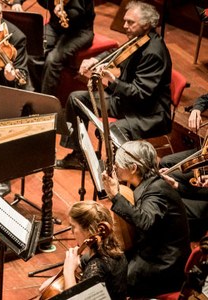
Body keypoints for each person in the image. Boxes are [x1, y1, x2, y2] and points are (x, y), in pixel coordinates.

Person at [56, 1, 172, 169]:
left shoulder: (153, 52)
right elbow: (115, 52)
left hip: (148, 113)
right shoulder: (138, 39)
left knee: (114, 129)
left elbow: (140, 94)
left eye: (130, 22)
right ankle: (79, 156)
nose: (125, 26)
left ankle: (122, 173)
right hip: (127, 102)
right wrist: (95, 60)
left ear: (146, 24)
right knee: (76, 99)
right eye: (124, 21)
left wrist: (113, 81)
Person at [102, 140, 190, 297]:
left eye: (118, 164)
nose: (115, 168)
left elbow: (145, 222)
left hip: (163, 265)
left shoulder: (157, 191)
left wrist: (115, 195)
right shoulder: (151, 183)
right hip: (154, 251)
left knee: (113, 279)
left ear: (133, 168)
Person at [40, 201, 127, 300]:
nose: (72, 232)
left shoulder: (96, 267)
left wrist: (68, 271)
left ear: (88, 230)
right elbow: (83, 261)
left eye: (73, 226)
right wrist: (52, 282)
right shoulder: (114, 249)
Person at [159, 93, 208, 240]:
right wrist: (196, 109)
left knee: (172, 181)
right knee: (165, 163)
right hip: (205, 154)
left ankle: (186, 229)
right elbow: (204, 98)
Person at [28, 0, 95, 95]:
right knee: (33, 52)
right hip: (55, 27)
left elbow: (78, 13)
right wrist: (17, 2)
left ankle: (45, 100)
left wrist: (65, 12)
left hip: (80, 32)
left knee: (53, 60)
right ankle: (34, 92)